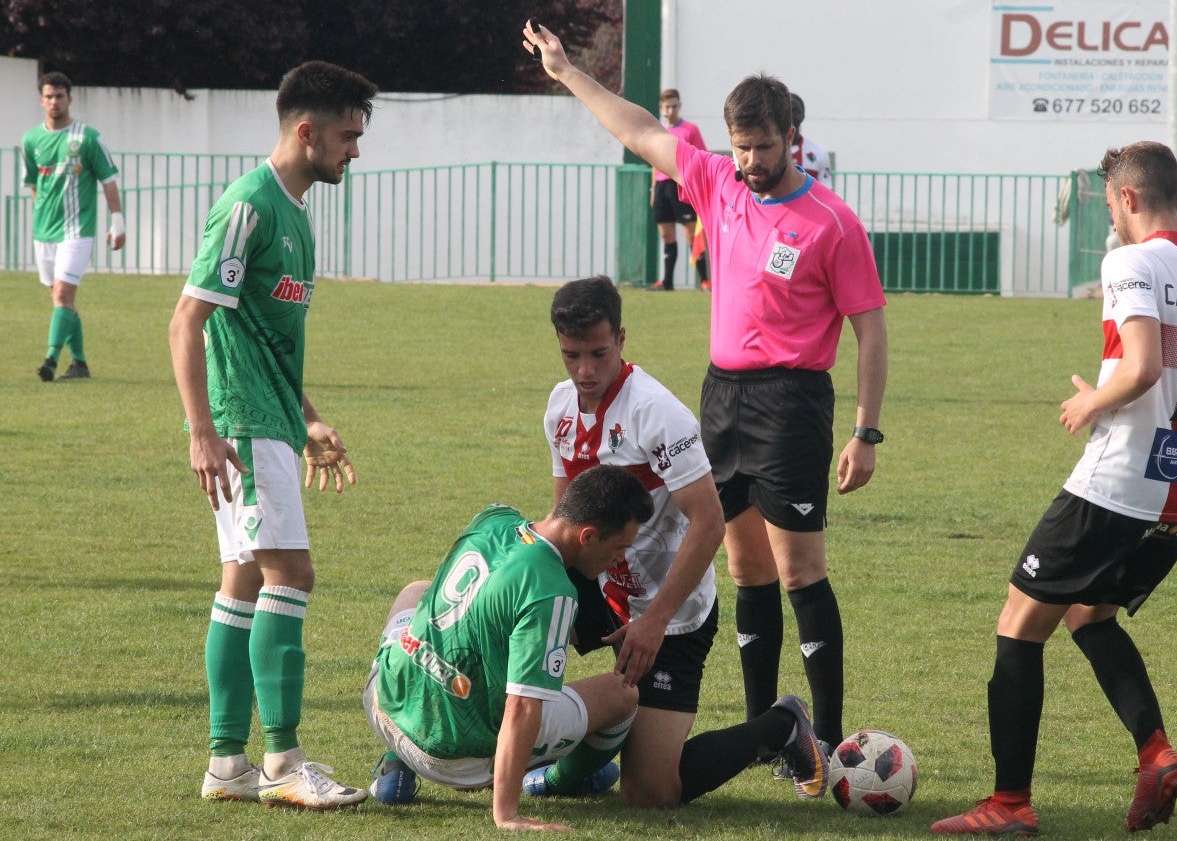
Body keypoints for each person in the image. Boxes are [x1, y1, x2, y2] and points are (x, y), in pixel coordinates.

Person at [524, 22, 888, 756]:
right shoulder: (715, 183)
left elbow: (870, 331)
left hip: (793, 402)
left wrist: (865, 430)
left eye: (764, 146)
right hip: (722, 397)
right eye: (740, 146)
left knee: (799, 567)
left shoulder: (832, 223)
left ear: (793, 135)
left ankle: (830, 738)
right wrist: (566, 72)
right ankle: (768, 735)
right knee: (745, 564)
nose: (751, 161)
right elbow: (637, 130)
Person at [932, 141, 1177, 836]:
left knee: (1018, 626)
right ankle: (1156, 753)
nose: (1112, 220)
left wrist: (1092, 403)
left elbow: (1145, 366)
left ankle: (1009, 804)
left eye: (1110, 205)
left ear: (1129, 198)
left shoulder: (1130, 261)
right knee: (1088, 616)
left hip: (1116, 481)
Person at [529, 275, 828, 806]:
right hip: (601, 595)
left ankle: (779, 725)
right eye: (571, 355)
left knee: (649, 791)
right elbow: (563, 515)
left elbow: (710, 523)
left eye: (598, 353)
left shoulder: (656, 413)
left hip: (672, 612)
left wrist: (655, 620)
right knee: (508, 654)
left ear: (621, 339)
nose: (585, 371)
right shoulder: (559, 408)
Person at [169, 60, 377, 810]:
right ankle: (284, 762)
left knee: (244, 584)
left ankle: (228, 766)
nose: (355, 151)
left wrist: (310, 417)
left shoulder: (296, 214)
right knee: (292, 575)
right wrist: (203, 431)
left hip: (271, 421)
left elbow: (266, 338)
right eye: (348, 136)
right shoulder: (249, 206)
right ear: (306, 131)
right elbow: (186, 320)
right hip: (243, 427)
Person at [363, 465, 652, 831]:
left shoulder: (495, 517)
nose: (620, 560)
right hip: (452, 758)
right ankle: (557, 780)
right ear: (588, 535)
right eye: (620, 547)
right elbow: (522, 707)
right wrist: (506, 814)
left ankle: (394, 766)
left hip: (381, 698)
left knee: (416, 591)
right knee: (622, 695)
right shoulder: (552, 591)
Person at [23, 71, 126, 381]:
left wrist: (117, 221)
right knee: (61, 298)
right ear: (41, 100)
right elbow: (33, 183)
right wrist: (43, 210)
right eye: (49, 96)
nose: (54, 101)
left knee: (62, 296)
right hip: (44, 233)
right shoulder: (31, 140)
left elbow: (108, 180)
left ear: (70, 98)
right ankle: (79, 363)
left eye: (60, 96)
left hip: (77, 232)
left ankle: (50, 360)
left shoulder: (88, 138)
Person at [650, 89, 710, 291]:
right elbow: (654, 160)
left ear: (679, 106)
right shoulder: (657, 129)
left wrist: (697, 187)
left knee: (691, 234)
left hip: (681, 185)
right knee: (667, 235)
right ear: (661, 107)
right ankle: (666, 282)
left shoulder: (690, 130)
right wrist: (653, 189)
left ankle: (704, 280)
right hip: (661, 186)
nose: (671, 110)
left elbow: (702, 156)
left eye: (674, 106)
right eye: (667, 106)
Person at [788, 93, 833, 189]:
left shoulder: (819, 152)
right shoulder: (769, 150)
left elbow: (826, 190)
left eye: (795, 111)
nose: (792, 115)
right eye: (788, 111)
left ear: (803, 115)